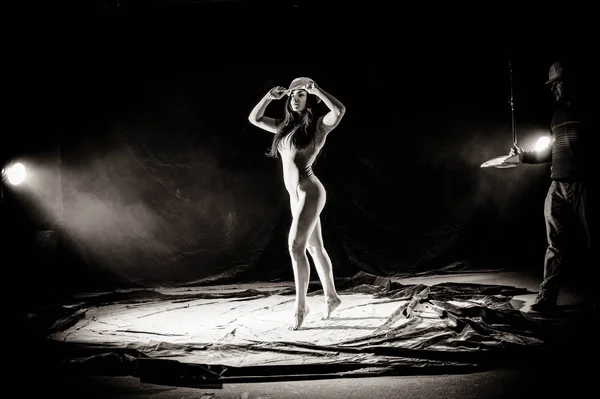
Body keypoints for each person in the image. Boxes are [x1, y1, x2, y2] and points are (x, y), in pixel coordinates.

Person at [248, 77, 346, 329]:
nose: (295, 98)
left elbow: (339, 110)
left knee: (295, 246)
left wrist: (317, 89)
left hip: (309, 190)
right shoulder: (282, 127)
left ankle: (301, 307)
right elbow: (254, 119)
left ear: (309, 99)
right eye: (292, 95)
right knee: (314, 248)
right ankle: (332, 297)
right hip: (296, 195)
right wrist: (270, 96)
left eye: (300, 94)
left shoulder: (318, 126)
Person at [509, 60, 593, 312]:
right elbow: (552, 153)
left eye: (558, 85)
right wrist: (524, 156)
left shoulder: (589, 113)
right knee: (555, 244)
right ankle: (548, 295)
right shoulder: (556, 117)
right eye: (552, 86)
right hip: (557, 187)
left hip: (585, 187)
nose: (554, 90)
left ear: (572, 84)